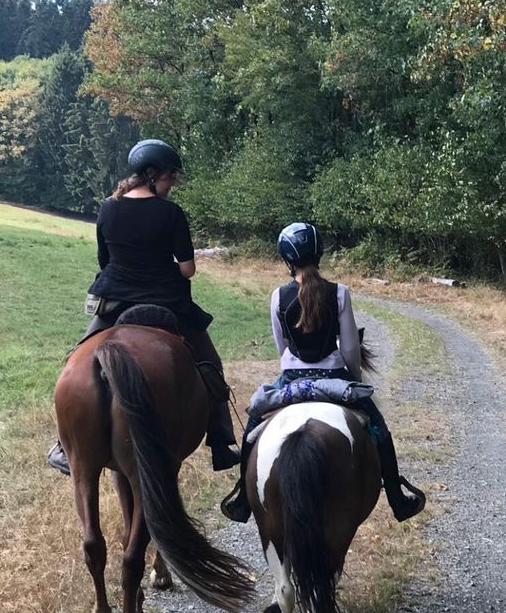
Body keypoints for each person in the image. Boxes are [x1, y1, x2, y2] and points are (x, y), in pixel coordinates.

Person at [47, 139, 240, 475]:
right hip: (167, 301)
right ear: (153, 176)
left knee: (75, 360)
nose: (171, 185)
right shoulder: (171, 213)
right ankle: (221, 442)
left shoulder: (109, 207)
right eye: (169, 179)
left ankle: (65, 444)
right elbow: (187, 269)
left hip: (115, 301)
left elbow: (104, 259)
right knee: (210, 365)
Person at [220, 221, 426, 524]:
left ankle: (243, 499)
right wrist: (352, 378)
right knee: (378, 429)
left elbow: (283, 349)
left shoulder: (278, 296)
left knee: (253, 424)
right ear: (319, 253)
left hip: (292, 380)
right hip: (334, 378)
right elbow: (351, 349)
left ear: (286, 259)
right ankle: (397, 498)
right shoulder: (339, 293)